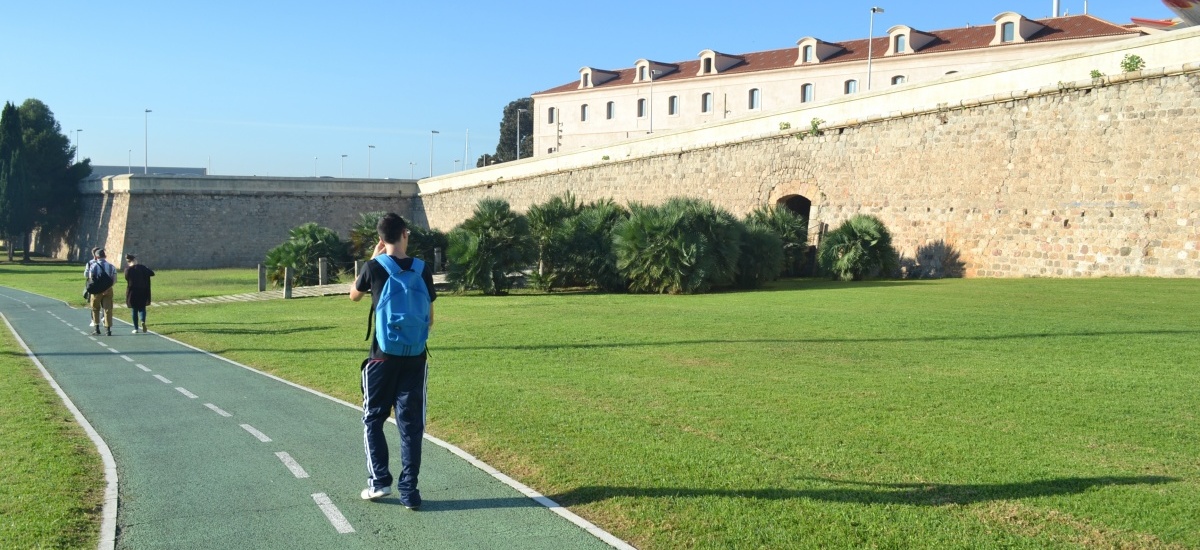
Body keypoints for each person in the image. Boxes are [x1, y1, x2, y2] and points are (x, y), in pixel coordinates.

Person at [349, 213, 435, 510]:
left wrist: (372, 259)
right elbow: (430, 320)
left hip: (381, 358)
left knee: (373, 417)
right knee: (411, 426)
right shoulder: (423, 269)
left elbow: (354, 296)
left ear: (381, 238)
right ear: (405, 234)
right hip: (415, 357)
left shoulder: (373, 267)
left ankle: (379, 482)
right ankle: (410, 491)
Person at [87, 249, 117, 336]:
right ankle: (108, 329)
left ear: (96, 257)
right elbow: (114, 280)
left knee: (95, 308)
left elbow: (90, 279)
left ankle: (97, 328)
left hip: (96, 291)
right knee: (107, 309)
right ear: (105, 256)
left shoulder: (93, 266)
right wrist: (107, 289)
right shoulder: (112, 266)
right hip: (108, 290)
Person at [124, 254, 155, 333]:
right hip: (143, 291)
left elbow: (126, 278)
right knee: (142, 308)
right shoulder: (142, 267)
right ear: (134, 260)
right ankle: (142, 321)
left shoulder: (127, 269)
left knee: (134, 310)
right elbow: (152, 273)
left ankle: (136, 328)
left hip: (132, 291)